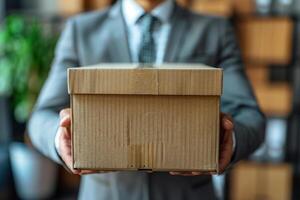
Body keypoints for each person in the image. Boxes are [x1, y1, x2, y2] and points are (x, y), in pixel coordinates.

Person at [28, 0, 266, 199]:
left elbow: (251, 115)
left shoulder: (214, 30)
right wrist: (59, 139)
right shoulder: (81, 30)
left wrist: (229, 141)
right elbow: (42, 115)